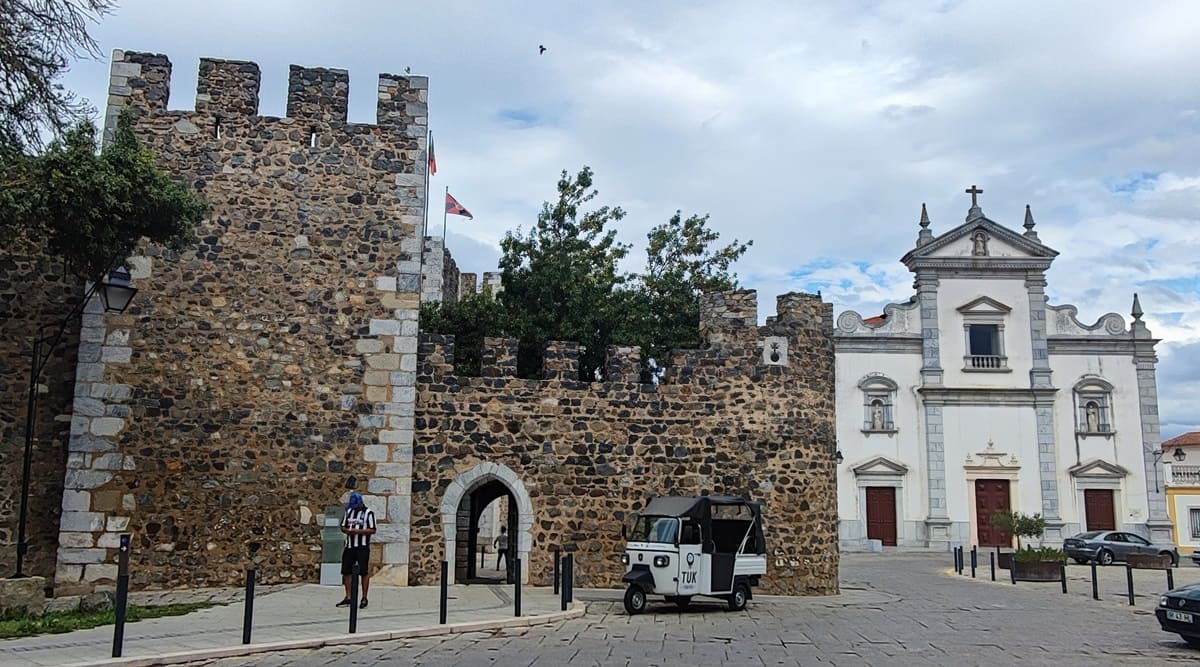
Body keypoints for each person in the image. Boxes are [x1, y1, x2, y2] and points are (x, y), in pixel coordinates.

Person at [337, 492, 376, 609]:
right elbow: (343, 526)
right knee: (346, 570)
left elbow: (372, 529)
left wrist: (358, 532)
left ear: (360, 503)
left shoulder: (368, 513)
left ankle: (364, 597)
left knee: (363, 571)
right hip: (349, 546)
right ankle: (348, 596)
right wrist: (346, 531)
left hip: (362, 546)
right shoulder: (349, 512)